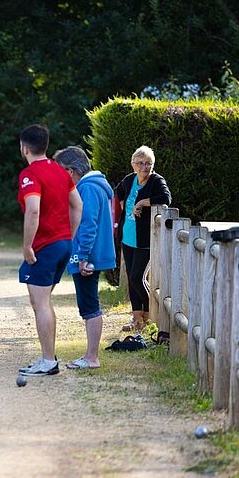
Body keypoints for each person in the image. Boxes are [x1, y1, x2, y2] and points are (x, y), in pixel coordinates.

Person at [17, 125, 82, 377]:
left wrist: (27, 245)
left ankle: (48, 361)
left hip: (44, 246)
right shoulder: (59, 171)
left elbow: (33, 210)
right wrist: (70, 236)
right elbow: (78, 205)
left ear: (24, 148)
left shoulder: (29, 174)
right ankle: (47, 357)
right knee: (41, 301)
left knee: (41, 303)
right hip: (62, 244)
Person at [54, 146, 116, 369]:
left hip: (88, 257)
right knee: (88, 304)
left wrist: (82, 256)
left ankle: (92, 357)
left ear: (70, 171)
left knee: (89, 306)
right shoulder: (93, 186)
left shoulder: (87, 189)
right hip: (89, 255)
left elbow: (88, 225)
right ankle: (90, 356)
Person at [115, 145, 171, 332]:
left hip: (145, 239)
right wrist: (125, 207)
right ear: (133, 164)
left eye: (149, 163)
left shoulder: (156, 180)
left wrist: (141, 202)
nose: (145, 167)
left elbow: (165, 197)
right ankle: (137, 318)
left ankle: (151, 316)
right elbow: (119, 191)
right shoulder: (129, 180)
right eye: (141, 163)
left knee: (138, 277)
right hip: (128, 236)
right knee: (131, 278)